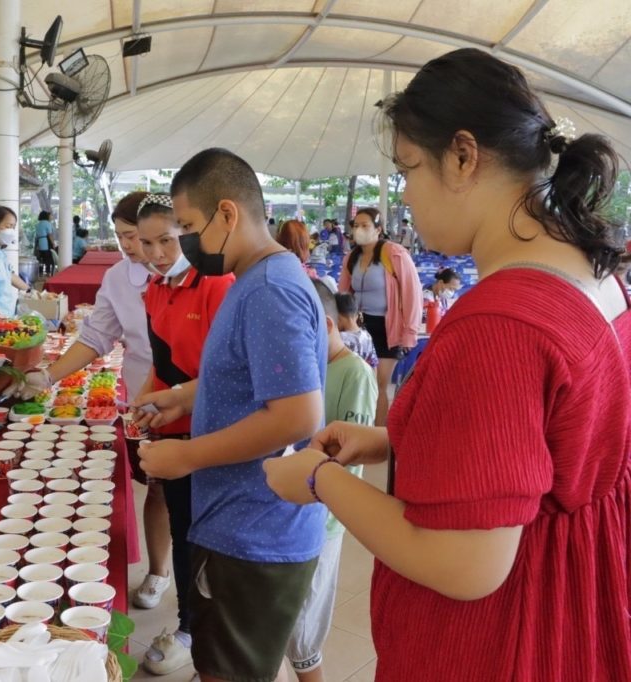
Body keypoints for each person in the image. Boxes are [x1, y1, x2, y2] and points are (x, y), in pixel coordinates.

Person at [263, 48, 631, 682]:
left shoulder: (499, 324)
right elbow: (551, 450)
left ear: (463, 157)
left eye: (407, 170)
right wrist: (392, 439)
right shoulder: (592, 273)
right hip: (581, 594)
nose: (405, 194)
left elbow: (467, 564)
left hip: (505, 631)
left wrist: (321, 480)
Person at [135, 148, 327, 682]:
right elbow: (254, 379)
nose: (187, 242)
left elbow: (296, 414)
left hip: (255, 526)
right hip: (242, 519)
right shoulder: (258, 279)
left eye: (189, 226)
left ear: (227, 213)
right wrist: (186, 396)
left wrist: (187, 455)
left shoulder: (268, 289)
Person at [8, 193, 175, 614]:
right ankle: (159, 571)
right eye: (122, 238)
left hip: (190, 396)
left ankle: (196, 600)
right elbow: (95, 337)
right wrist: (47, 377)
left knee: (192, 494)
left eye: (137, 237)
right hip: (144, 398)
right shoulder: (120, 279)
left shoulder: (190, 274)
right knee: (158, 485)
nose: (132, 248)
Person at [133, 193, 235, 676]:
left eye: (167, 240)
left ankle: (207, 632)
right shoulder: (153, 290)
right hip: (173, 431)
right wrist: (143, 406)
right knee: (183, 530)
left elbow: (231, 375)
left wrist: (171, 397)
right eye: (145, 242)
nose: (156, 253)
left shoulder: (218, 284)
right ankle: (189, 624)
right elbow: (161, 366)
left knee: (212, 537)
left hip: (215, 433)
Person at [287, 279, 376, 682]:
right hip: (290, 506)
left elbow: (347, 459)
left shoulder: (354, 374)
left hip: (324, 516)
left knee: (306, 627)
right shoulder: (304, 366)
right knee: (288, 615)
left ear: (324, 325)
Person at [338, 207, 421, 425]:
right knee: (361, 382)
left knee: (379, 384)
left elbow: (412, 293)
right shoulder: (351, 258)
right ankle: (358, 427)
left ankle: (378, 436)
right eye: (356, 226)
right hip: (359, 329)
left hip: (387, 328)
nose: (359, 230)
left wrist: (409, 332)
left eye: (365, 226)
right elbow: (344, 294)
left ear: (378, 229)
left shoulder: (394, 253)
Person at [335, 293, 377, 370]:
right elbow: (373, 365)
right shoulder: (367, 336)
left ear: (338, 317)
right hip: (363, 380)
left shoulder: (340, 338)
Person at [34, 210, 56, 276]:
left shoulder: (38, 224)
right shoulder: (47, 223)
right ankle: (48, 272)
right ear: (46, 216)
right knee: (48, 258)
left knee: (40, 258)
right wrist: (53, 243)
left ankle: (40, 272)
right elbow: (50, 234)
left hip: (39, 242)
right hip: (46, 241)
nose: (51, 216)